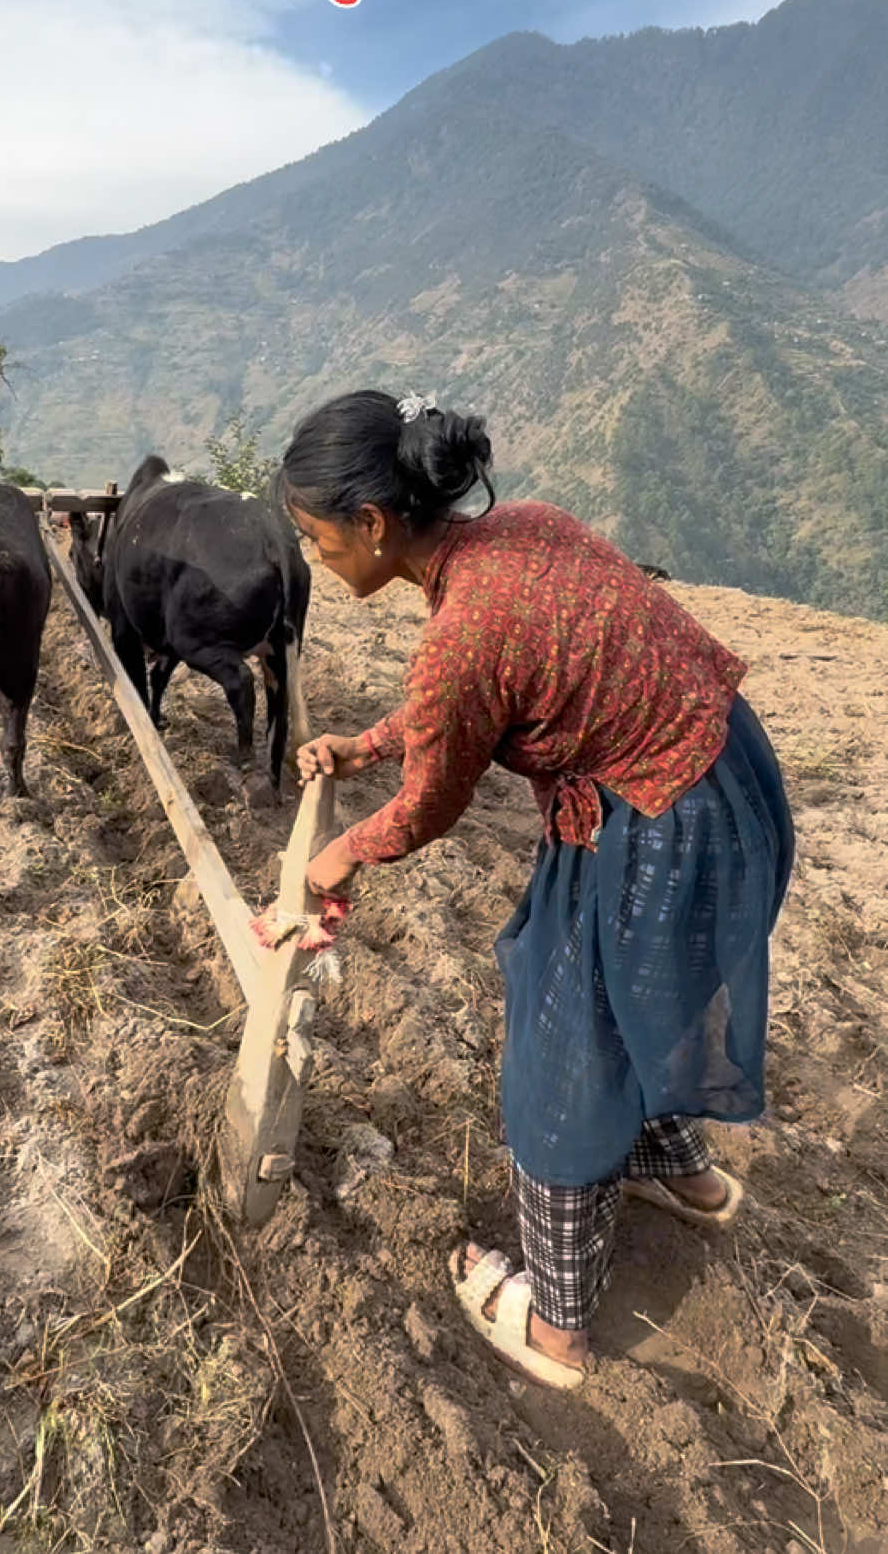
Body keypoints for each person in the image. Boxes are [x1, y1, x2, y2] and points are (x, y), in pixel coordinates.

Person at [281, 389, 794, 1391]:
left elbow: (429, 802)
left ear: (372, 523)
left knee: (565, 1045)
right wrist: (367, 744)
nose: (314, 556)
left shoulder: (461, 636)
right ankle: (684, 1173)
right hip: (727, 777)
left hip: (659, 830)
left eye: (315, 537)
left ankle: (557, 1329)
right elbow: (475, 691)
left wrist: (339, 854)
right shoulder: (524, 528)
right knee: (628, 1000)